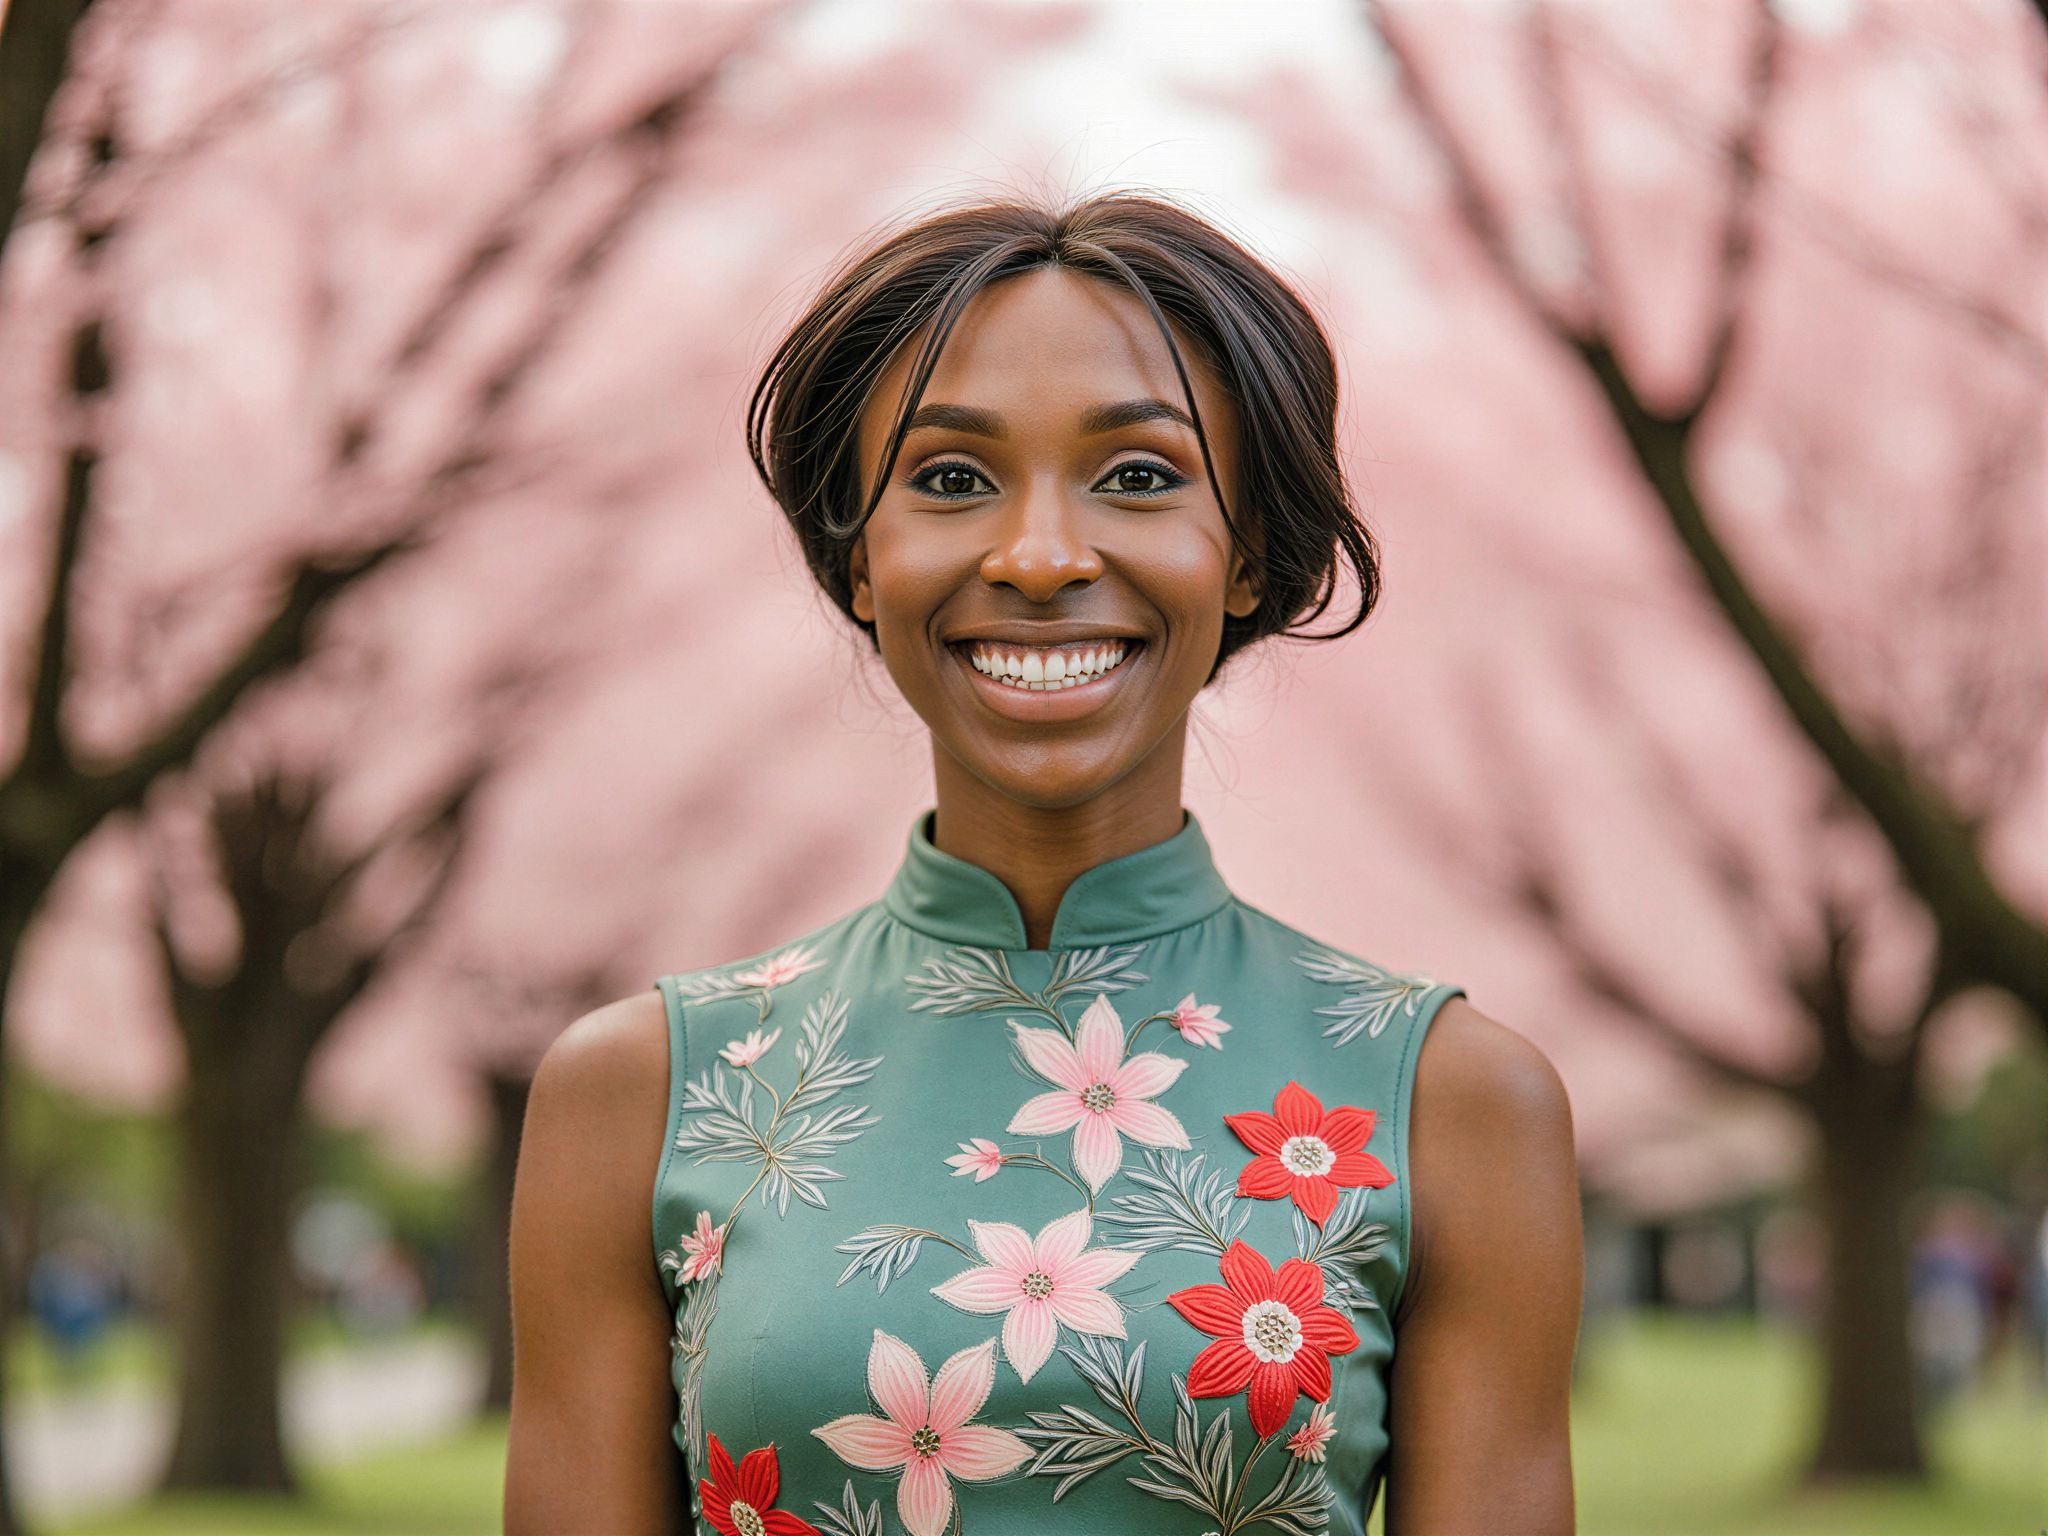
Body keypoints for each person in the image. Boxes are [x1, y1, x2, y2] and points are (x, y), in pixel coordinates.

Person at [505, 194, 1581, 1536]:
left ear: (1245, 555)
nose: (1040, 556)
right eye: (951, 480)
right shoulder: (639, 1093)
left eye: (1139, 476)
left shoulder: (1449, 1103)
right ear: (860, 559)